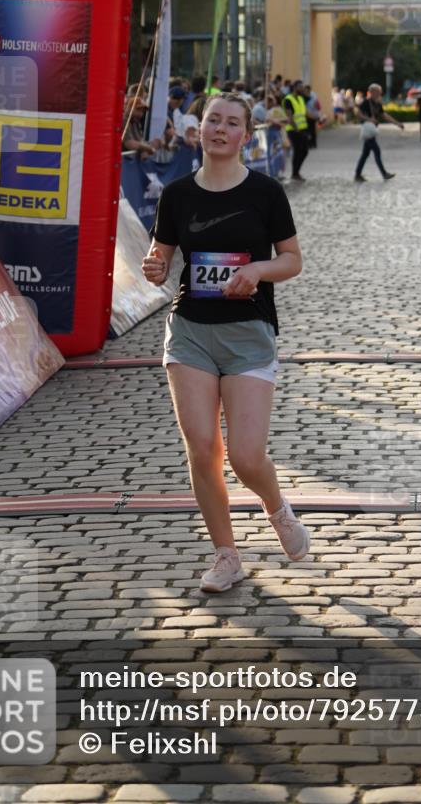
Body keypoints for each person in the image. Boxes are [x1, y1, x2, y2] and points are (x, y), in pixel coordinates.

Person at [141, 93, 308, 593]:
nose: (219, 129)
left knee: (246, 456)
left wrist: (257, 269)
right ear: (199, 129)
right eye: (213, 119)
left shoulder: (265, 192)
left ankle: (276, 508)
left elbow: (293, 260)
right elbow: (160, 254)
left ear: (245, 135)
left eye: (231, 122)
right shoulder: (177, 195)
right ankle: (226, 555)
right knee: (204, 450)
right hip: (189, 330)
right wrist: (154, 266)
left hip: (249, 334)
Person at [354, 83, 401, 182]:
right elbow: (358, 114)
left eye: (380, 92)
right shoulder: (366, 102)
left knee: (365, 154)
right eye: (378, 92)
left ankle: (357, 175)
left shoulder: (377, 104)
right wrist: (369, 119)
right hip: (368, 130)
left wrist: (397, 123)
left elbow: (384, 116)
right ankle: (384, 174)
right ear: (372, 92)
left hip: (372, 131)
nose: (380, 94)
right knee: (376, 151)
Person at [283, 79, 309, 181]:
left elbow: (305, 113)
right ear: (295, 88)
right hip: (293, 130)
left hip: (303, 129)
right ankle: (295, 173)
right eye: (300, 87)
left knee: (305, 151)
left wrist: (318, 117)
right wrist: (296, 128)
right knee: (298, 151)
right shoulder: (288, 99)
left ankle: (296, 172)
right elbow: (289, 116)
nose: (302, 89)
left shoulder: (301, 99)